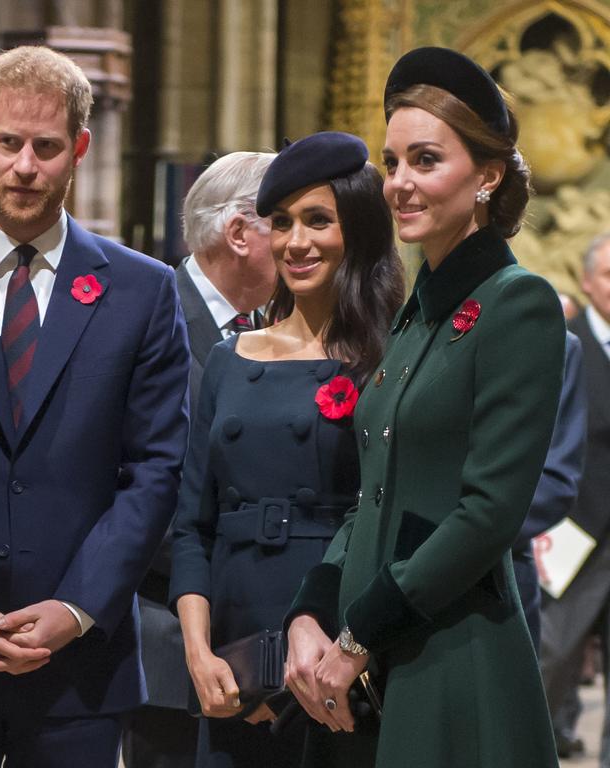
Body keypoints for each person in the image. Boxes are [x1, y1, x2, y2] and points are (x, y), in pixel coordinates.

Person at [284, 47, 564, 768]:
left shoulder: (517, 304)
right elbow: (371, 494)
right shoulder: (417, 315)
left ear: (488, 176)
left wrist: (357, 636)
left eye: (426, 160)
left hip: (450, 658)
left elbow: (486, 515)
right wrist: (310, 616)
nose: (400, 183)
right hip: (364, 660)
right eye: (392, 162)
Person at [0, 45, 190, 767]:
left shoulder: (142, 291)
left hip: (82, 664)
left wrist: (77, 607)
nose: (26, 167)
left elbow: (157, 468)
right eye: (9, 143)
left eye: (47, 147)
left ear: (80, 149)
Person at [169, 132, 404, 768]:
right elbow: (192, 524)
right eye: (282, 222)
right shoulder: (228, 358)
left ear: (355, 229)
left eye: (317, 220)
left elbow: (391, 523)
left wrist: (348, 649)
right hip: (230, 658)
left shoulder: (392, 359)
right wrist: (198, 652)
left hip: (337, 649)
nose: (296, 241)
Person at [123, 150, 278, 768]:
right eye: (285, 222)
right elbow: (130, 487)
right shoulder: (145, 317)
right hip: (167, 638)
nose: (301, 242)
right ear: (240, 233)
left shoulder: (284, 329)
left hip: (264, 642)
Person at [541, 232, 610, 765]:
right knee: (551, 658)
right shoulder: (562, 343)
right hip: (575, 529)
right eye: (608, 274)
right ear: (587, 282)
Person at [511, 327, 585, 651]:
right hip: (405, 573)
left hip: (502, 572)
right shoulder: (414, 330)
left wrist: (462, 538)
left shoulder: (556, 344)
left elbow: (555, 480)